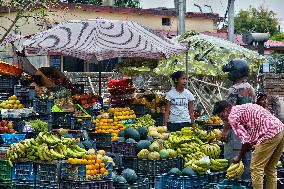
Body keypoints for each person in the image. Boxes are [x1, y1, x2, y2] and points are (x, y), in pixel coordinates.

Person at [212, 101, 284, 189]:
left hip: (269, 134)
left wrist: (239, 157)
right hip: (280, 130)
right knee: (270, 168)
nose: (223, 119)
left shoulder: (233, 117)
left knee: (256, 168)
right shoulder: (240, 108)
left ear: (226, 110)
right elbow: (250, 133)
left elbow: (246, 140)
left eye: (222, 116)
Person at [221, 59, 255, 180]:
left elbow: (230, 114)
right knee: (247, 162)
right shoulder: (251, 88)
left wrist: (224, 132)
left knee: (233, 163)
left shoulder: (233, 90)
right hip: (248, 131)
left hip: (235, 133)